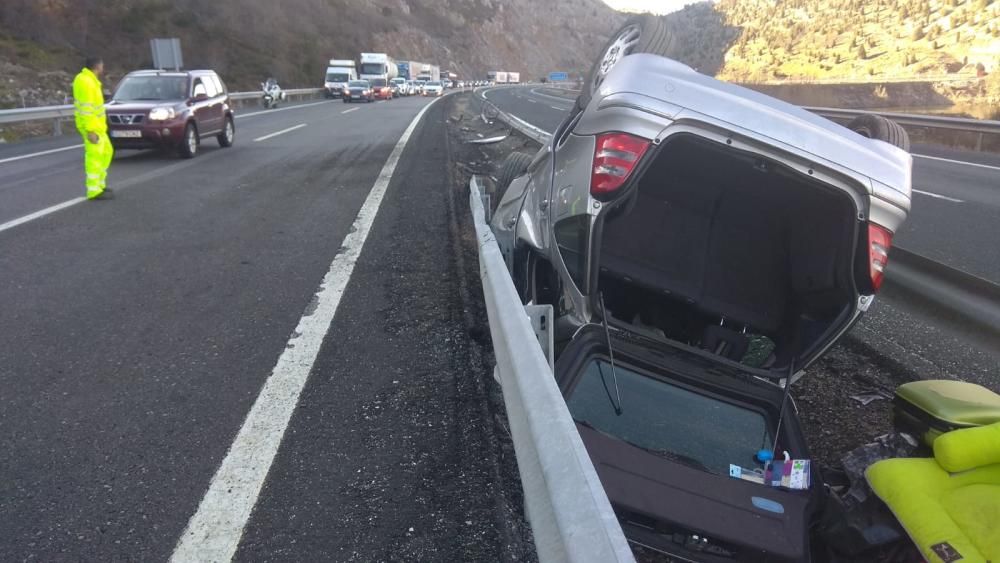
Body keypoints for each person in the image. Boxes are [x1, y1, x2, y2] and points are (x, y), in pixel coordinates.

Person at [72, 56, 114, 200]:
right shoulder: (86, 82)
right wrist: (90, 130)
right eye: (102, 65)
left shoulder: (89, 80)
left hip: (97, 126)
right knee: (94, 157)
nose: (103, 68)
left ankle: (100, 184)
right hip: (92, 127)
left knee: (107, 152)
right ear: (97, 66)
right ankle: (94, 190)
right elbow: (87, 109)